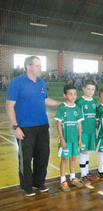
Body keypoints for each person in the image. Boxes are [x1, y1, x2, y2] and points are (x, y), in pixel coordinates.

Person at [6, 56, 60, 197]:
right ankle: (27, 186)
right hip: (25, 128)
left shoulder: (41, 82)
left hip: (42, 126)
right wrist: (15, 127)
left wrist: (63, 104)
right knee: (26, 159)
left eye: (41, 66)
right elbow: (9, 106)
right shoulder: (16, 83)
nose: (40, 69)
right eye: (37, 66)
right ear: (28, 66)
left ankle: (39, 182)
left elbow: (46, 100)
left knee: (42, 156)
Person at [55, 85, 84, 191]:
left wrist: (80, 139)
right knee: (64, 159)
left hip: (75, 139)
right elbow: (58, 124)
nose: (73, 96)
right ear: (65, 95)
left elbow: (79, 124)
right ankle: (63, 180)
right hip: (65, 139)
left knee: (73, 158)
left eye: (75, 94)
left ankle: (72, 178)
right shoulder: (62, 107)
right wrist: (61, 138)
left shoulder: (77, 108)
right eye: (70, 94)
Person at [76, 79, 99, 184]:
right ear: (83, 89)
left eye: (93, 89)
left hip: (91, 131)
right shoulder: (80, 101)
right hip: (83, 132)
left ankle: (87, 172)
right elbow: (76, 118)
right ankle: (83, 174)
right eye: (88, 89)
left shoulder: (94, 101)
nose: (90, 91)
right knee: (83, 152)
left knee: (88, 151)